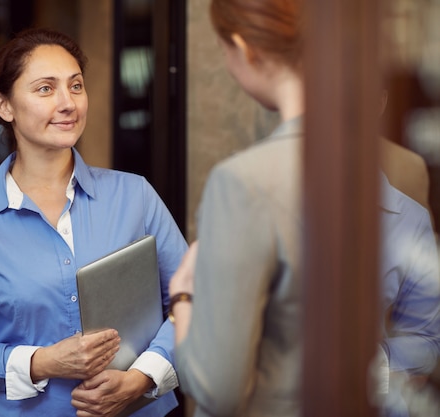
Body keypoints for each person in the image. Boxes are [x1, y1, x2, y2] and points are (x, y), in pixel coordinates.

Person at [168, 1, 440, 416]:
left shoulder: (240, 181)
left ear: (243, 48)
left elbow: (218, 391)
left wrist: (183, 298)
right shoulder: (361, 182)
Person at [0, 28, 187, 417]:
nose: (68, 103)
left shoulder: (134, 196)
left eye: (76, 86)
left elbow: (194, 301)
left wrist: (142, 378)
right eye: (45, 89)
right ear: (4, 106)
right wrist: (44, 362)